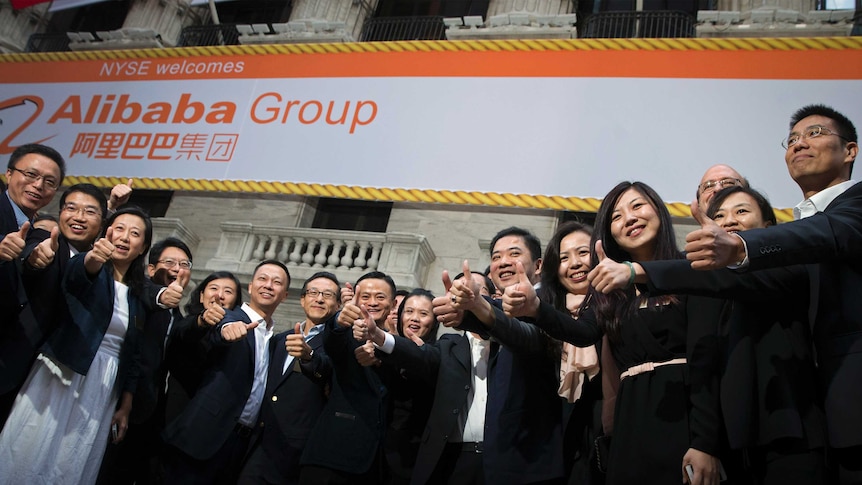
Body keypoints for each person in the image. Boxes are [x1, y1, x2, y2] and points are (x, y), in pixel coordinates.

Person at [593, 185, 828, 483]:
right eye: (719, 214)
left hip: (788, 429)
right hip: (733, 435)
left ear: (770, 227)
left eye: (741, 211)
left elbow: (705, 344)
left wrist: (635, 271)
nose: (728, 220)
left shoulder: (784, 267)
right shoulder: (620, 296)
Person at [683, 104, 861, 483]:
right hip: (754, 435)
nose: (799, 144)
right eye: (792, 139)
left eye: (814, 134)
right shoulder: (801, 226)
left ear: (850, 150)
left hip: (808, 425)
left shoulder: (833, 219)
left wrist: (638, 271)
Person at [507, 183, 725, 485]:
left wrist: (705, 442)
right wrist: (536, 308)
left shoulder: (688, 268)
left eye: (637, 206)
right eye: (617, 216)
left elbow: (706, 357)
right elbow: (582, 333)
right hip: (630, 419)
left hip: (686, 412)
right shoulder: (608, 288)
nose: (630, 218)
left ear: (659, 210)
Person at [374, 226, 564, 484]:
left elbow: (526, 339)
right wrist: (380, 337)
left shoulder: (544, 314)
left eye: (514, 253)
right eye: (496, 257)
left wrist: (480, 310)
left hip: (519, 461)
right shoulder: (450, 345)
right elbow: (422, 357)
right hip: (454, 461)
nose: (503, 262)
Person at [0, 205, 152, 484]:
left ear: (143, 247)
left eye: (135, 233)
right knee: (31, 446)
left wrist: (126, 404)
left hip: (103, 386)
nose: (125, 237)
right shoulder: (84, 263)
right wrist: (93, 257)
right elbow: (80, 274)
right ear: (107, 231)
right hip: (63, 372)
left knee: (71, 459)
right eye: (119, 228)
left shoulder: (137, 297)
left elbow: (133, 353)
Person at [162, 260, 290, 485]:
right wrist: (225, 329)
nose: (268, 285)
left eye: (276, 282)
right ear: (250, 287)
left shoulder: (276, 342)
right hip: (202, 438)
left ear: (285, 295)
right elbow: (210, 329)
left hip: (240, 447)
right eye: (262, 279)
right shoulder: (229, 317)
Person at [98, 237, 194, 485]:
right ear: (151, 269)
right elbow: (149, 293)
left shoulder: (179, 317)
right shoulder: (138, 296)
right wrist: (162, 295)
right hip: (114, 399)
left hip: (147, 412)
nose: (177, 268)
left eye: (184, 263)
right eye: (169, 262)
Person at [238, 271, 340, 485]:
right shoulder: (280, 339)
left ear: (338, 305)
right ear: (302, 299)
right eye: (313, 292)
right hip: (259, 446)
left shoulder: (338, 345)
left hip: (296, 454)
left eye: (328, 295)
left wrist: (308, 356)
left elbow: (326, 372)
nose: (319, 298)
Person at [299, 271, 396, 484]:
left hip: (379, 465)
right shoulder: (344, 335)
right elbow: (332, 343)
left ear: (393, 303)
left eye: (380, 297)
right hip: (333, 457)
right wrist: (338, 323)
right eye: (365, 296)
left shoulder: (399, 347)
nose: (372, 303)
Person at [0, 143, 66, 426]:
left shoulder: (35, 229)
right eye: (30, 174)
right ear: (8, 173)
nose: (38, 185)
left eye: (49, 182)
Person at [537, 221, 604, 485]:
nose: (574, 264)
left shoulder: (619, 310)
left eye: (583, 253)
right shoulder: (544, 314)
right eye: (564, 258)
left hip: (610, 440)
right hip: (557, 449)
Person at [383, 288, 438, 485]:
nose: (414, 319)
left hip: (409, 460)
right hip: (371, 454)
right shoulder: (379, 351)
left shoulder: (438, 356)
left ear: (434, 321)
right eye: (409, 311)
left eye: (423, 314)